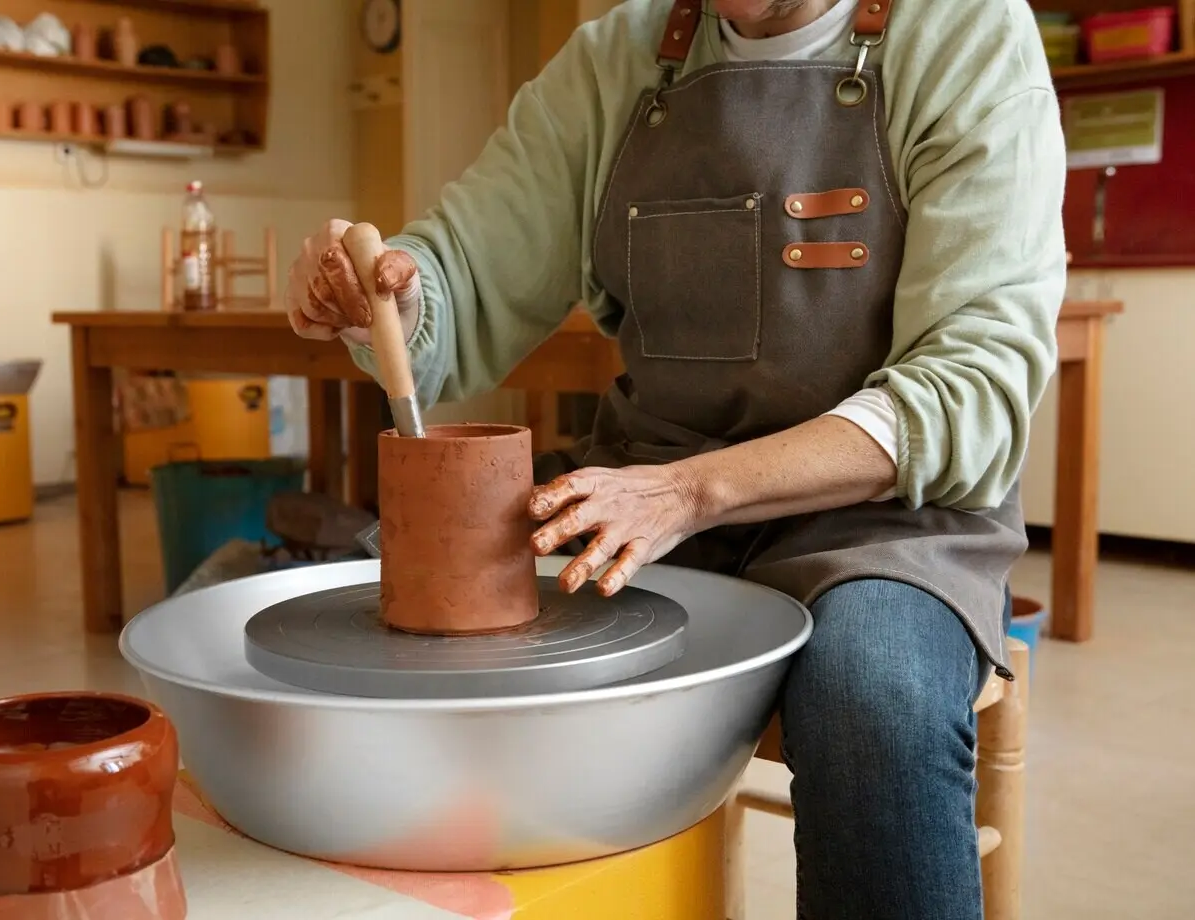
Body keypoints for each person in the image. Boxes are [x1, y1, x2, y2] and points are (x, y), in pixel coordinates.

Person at [287, 0, 1066, 916]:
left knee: (872, 704)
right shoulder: (617, 56)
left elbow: (977, 382)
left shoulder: (965, 31)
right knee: (431, 643)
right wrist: (390, 301)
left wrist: (694, 492)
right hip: (644, 497)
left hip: (883, 518)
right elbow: (467, 268)